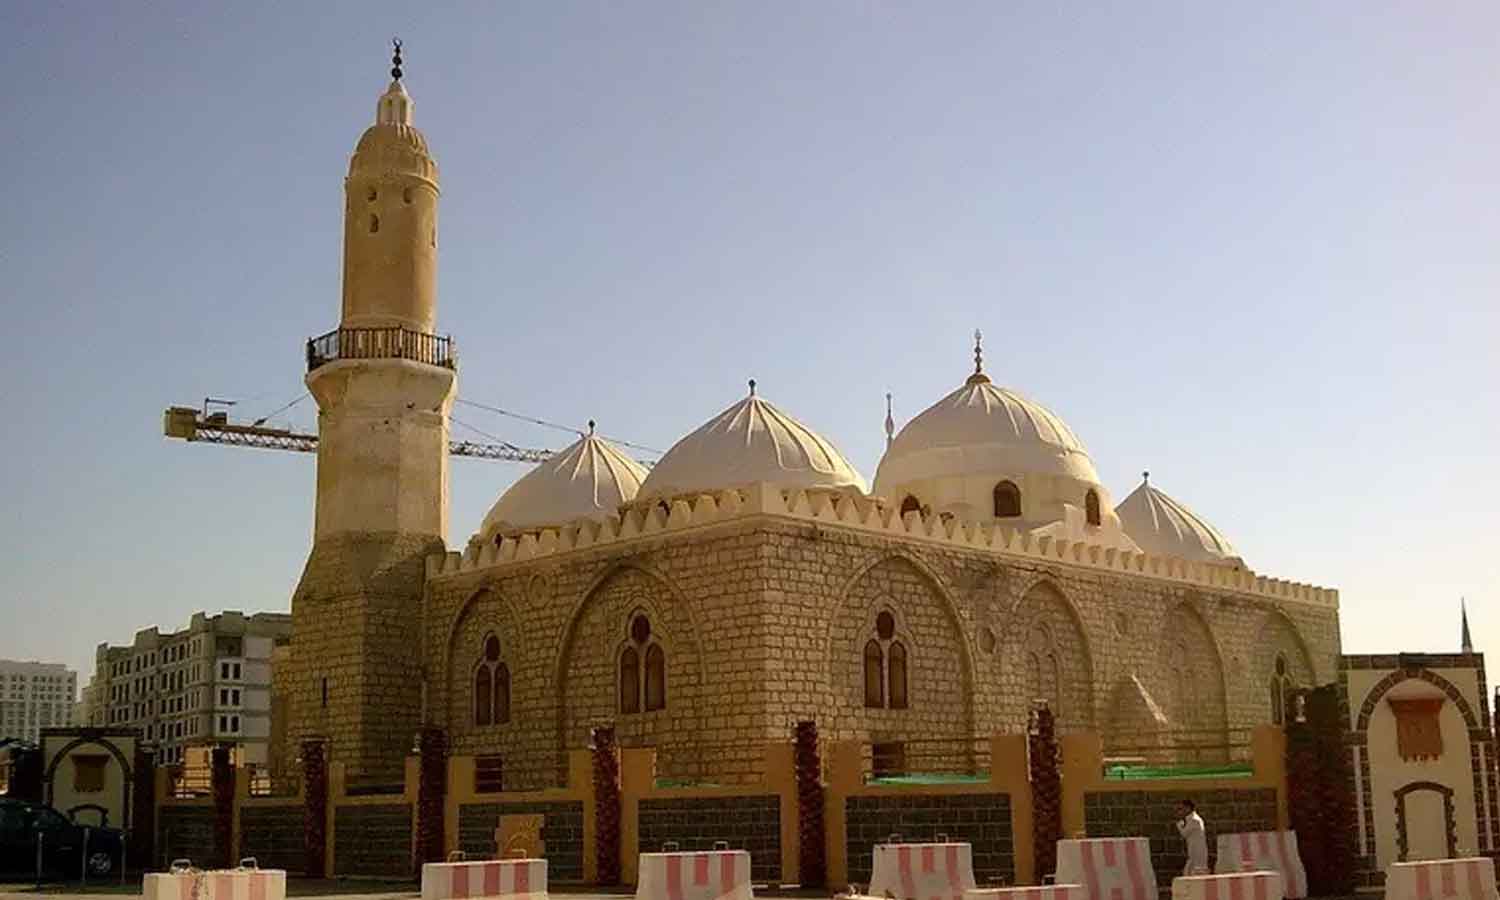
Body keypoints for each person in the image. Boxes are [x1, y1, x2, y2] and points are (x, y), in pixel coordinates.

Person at [1176, 799, 1209, 875]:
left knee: (1194, 875)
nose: (1180, 811)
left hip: (1198, 854)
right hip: (1193, 852)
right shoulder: (1191, 819)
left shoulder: (1194, 820)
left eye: (1182, 809)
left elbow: (1184, 833)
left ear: (1188, 808)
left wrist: (1179, 824)